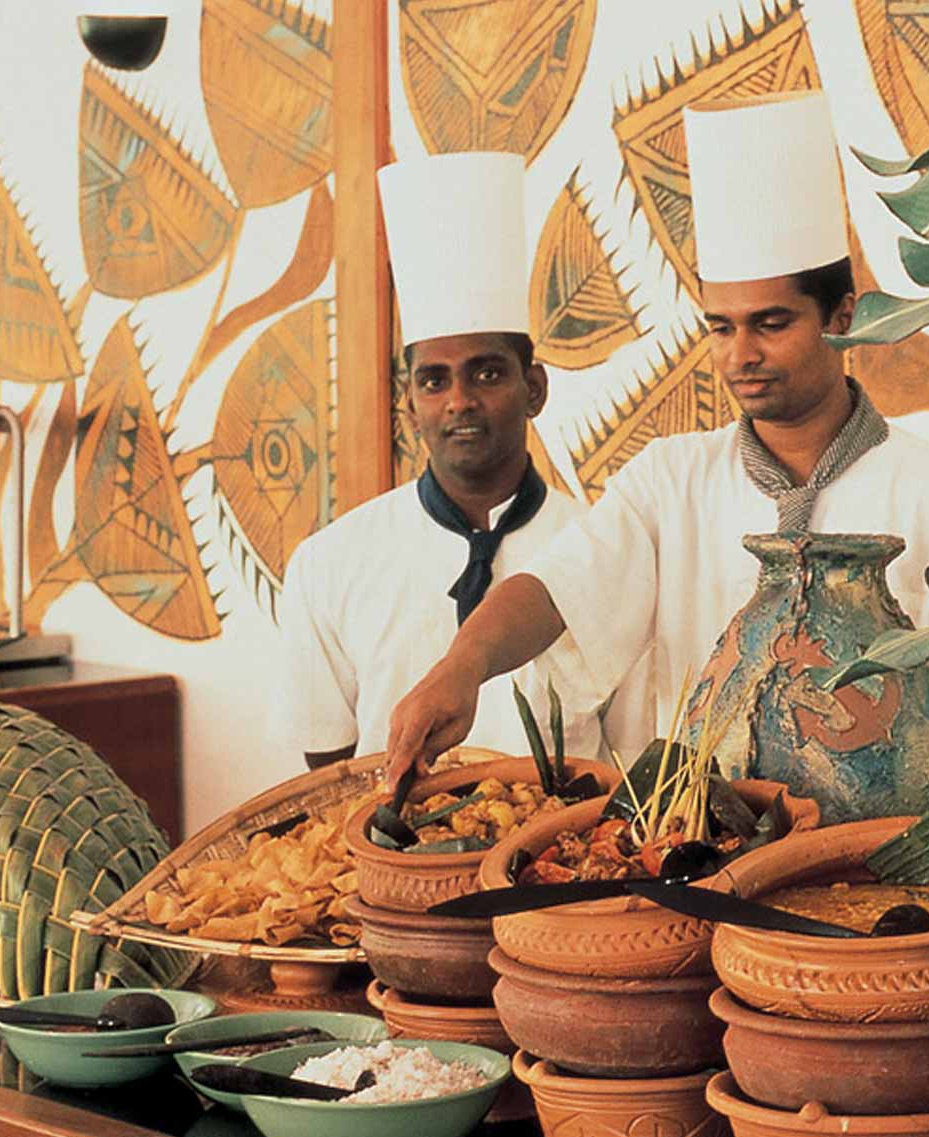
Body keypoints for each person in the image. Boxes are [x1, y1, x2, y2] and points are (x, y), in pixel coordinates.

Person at [383, 91, 929, 783]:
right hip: (698, 857)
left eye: (770, 324)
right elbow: (556, 589)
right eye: (721, 327)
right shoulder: (670, 482)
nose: (738, 353)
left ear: (841, 316)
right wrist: (463, 666)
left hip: (888, 864)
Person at [280, 151, 653, 770]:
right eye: (433, 380)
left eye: (485, 372)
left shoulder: (601, 555)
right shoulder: (330, 562)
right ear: (409, 403)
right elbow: (326, 780)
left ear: (533, 387)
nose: (459, 400)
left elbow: (628, 764)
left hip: (562, 857)